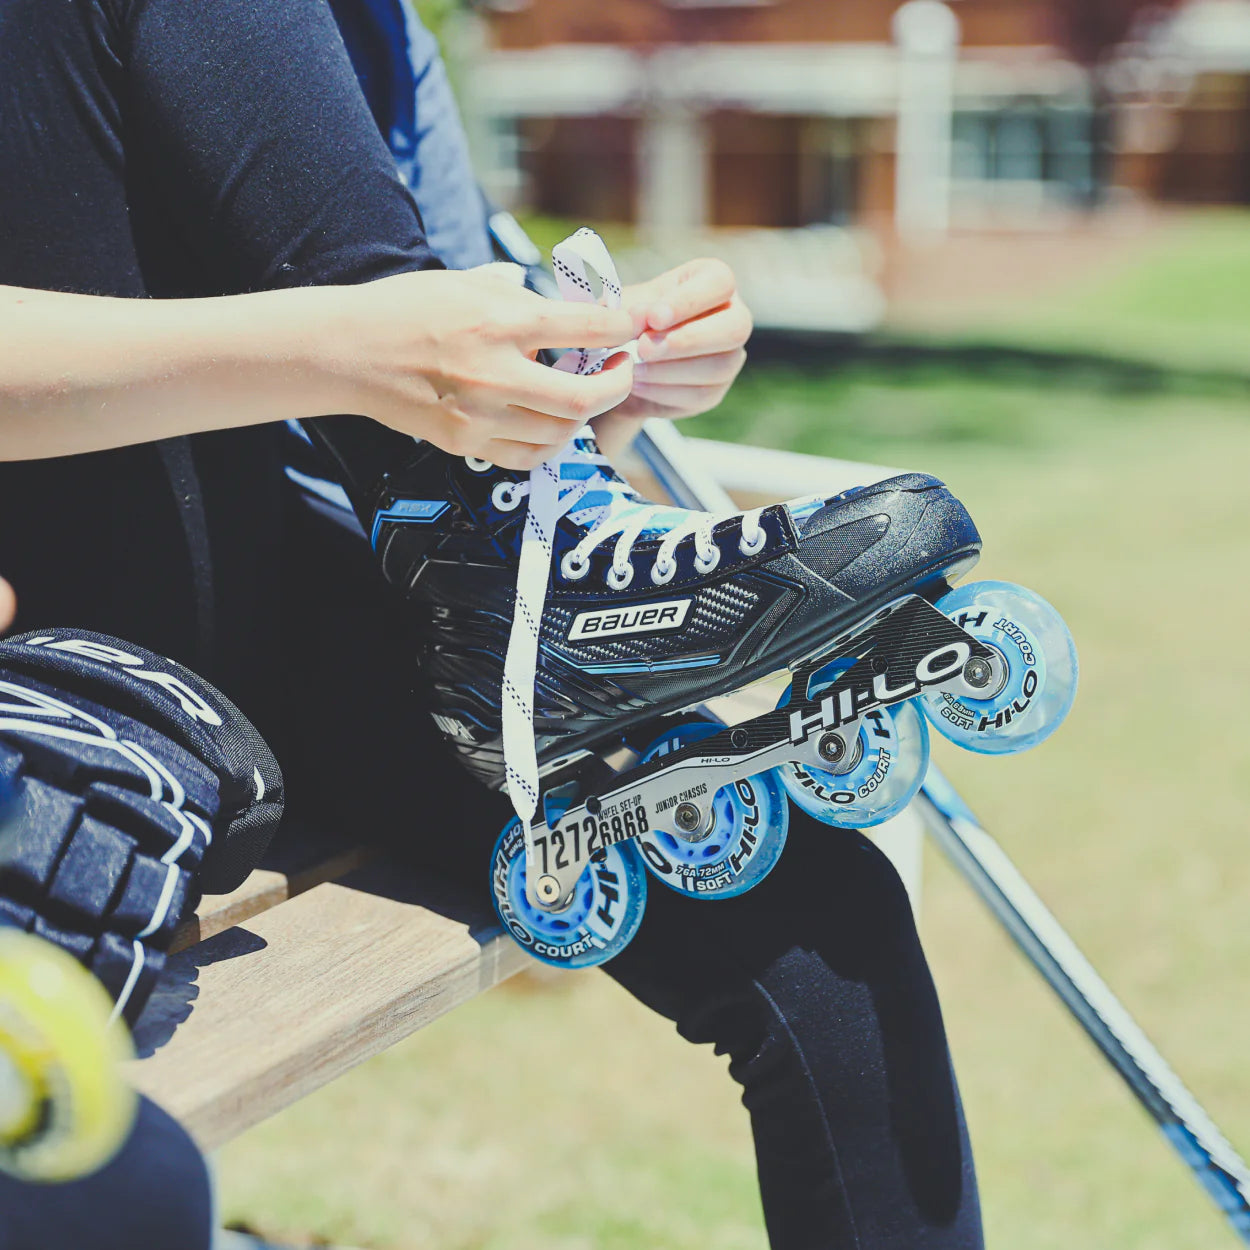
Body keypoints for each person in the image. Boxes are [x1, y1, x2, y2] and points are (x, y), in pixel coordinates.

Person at [0, 3, 983, 1249]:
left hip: (289, 610)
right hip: (55, 649)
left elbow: (418, 396)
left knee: (818, 918)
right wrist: (349, 346)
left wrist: (588, 391)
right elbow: (369, 346)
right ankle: (546, 584)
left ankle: (549, 582)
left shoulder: (376, 33)